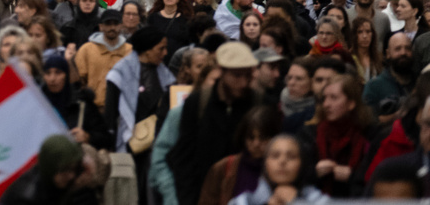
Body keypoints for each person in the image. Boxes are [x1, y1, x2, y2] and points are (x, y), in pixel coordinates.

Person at [169, 42, 261, 205]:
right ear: (221, 71)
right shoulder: (197, 102)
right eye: (237, 75)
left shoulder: (256, 102)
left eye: (247, 76)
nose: (243, 83)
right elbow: (183, 158)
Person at [105, 26, 174, 204]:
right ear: (148, 49)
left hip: (157, 148)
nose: (165, 53)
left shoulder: (165, 75)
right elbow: (111, 115)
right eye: (161, 48)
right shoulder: (119, 74)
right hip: (130, 148)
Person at [307, 74, 374, 197]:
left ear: (351, 104)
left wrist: (353, 176)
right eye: (324, 98)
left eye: (334, 98)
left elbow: (375, 178)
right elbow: (299, 175)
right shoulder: (311, 133)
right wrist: (314, 172)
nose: (326, 104)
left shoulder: (369, 134)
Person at [229, 134, 328, 205]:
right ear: (265, 163)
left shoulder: (320, 200)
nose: (282, 161)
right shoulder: (243, 201)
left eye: (291, 156)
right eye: (275, 156)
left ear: (302, 164)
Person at [72, 8, 130, 109]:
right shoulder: (86, 50)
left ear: (121, 26)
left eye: (115, 23)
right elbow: (78, 80)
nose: (112, 27)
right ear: (101, 26)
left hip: (121, 110)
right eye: (108, 24)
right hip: (93, 109)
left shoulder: (129, 51)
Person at [363, 31, 415, 123]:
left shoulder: (420, 82)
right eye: (397, 49)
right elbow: (367, 122)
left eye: (407, 48)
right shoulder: (374, 86)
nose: (403, 52)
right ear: (388, 54)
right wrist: (397, 116)